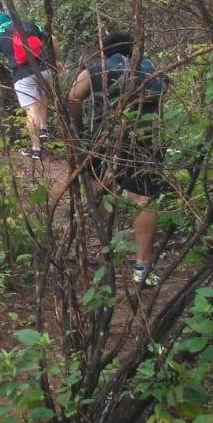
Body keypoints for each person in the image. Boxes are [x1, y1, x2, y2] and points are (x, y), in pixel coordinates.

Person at [65, 32, 168, 285]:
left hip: (104, 138)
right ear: (134, 50)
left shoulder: (96, 70)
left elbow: (73, 96)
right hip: (146, 140)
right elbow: (163, 98)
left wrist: (78, 129)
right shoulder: (152, 69)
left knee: (99, 187)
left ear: (104, 51)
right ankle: (142, 267)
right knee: (144, 199)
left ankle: (109, 246)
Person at [0, 11, 58, 159]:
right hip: (45, 70)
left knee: (31, 110)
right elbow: (53, 39)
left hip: (23, 76)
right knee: (42, 96)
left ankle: (36, 149)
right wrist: (58, 61)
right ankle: (43, 129)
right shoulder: (28, 25)